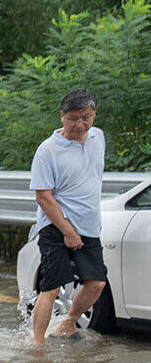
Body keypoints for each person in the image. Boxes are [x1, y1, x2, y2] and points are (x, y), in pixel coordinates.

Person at [29, 88, 108, 345]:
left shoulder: (98, 137)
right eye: (73, 118)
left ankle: (67, 323)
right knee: (50, 287)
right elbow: (43, 197)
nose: (80, 124)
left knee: (96, 283)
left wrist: (81, 229)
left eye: (86, 117)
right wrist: (68, 231)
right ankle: (37, 346)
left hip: (89, 225)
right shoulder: (47, 150)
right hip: (55, 224)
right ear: (62, 116)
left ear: (94, 114)